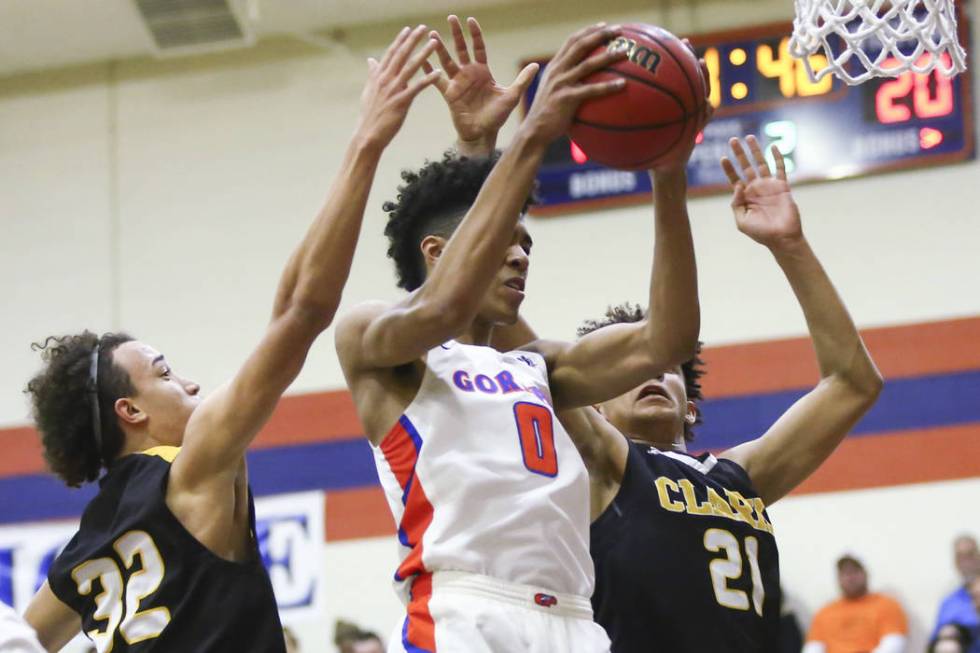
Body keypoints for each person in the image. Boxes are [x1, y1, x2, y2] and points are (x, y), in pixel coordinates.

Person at [20, 25, 441, 653]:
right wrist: (367, 142)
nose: (189, 383)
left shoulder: (83, 551)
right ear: (129, 411)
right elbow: (302, 312)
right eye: (164, 373)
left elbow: (20, 639)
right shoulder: (193, 468)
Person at [335, 17, 701, 653]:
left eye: (528, 246)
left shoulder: (538, 366)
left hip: (573, 619)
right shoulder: (376, 337)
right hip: (464, 610)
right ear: (435, 250)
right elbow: (443, 305)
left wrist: (666, 175)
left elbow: (666, 340)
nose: (522, 257)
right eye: (508, 243)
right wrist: (529, 133)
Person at [495, 135, 882, 652]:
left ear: (690, 403)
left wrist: (790, 246)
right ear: (593, 401)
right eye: (627, 373)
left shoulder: (742, 475)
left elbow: (853, 383)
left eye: (669, 369)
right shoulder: (603, 461)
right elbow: (509, 334)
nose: (651, 376)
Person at [803, 555, 908, 653]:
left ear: (865, 574)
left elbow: (894, 644)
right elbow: (813, 647)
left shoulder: (886, 605)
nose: (850, 578)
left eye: (854, 572)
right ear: (839, 579)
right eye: (844, 574)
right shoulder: (825, 612)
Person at [934, 535, 980, 637]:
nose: (966, 562)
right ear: (955, 562)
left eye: (970, 555)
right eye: (960, 557)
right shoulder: (949, 602)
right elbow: (936, 642)